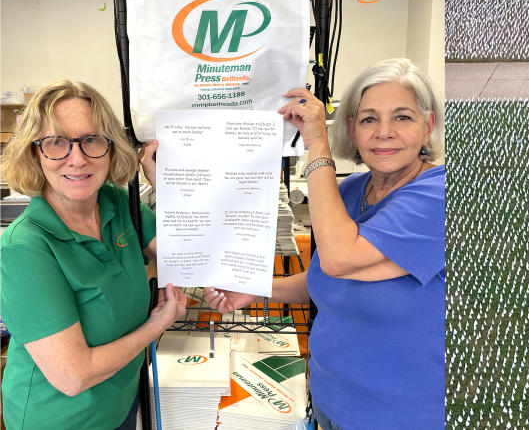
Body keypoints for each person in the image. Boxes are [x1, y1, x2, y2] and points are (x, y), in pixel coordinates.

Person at [205, 58, 444, 429]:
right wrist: (255, 288)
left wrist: (316, 142)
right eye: (368, 119)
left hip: (400, 415)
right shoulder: (348, 191)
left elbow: (338, 260)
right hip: (329, 400)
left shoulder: (439, 194)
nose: (384, 132)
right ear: (352, 128)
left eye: (402, 117)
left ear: (427, 126)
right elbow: (323, 279)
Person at [0, 80, 186, 429]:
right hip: (61, 420)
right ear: (34, 152)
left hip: (120, 403)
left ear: (110, 147)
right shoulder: (25, 248)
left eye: (91, 140)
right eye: (56, 142)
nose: (78, 158)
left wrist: (166, 183)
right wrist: (158, 323)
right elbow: (74, 376)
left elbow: (189, 255)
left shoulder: (115, 202)